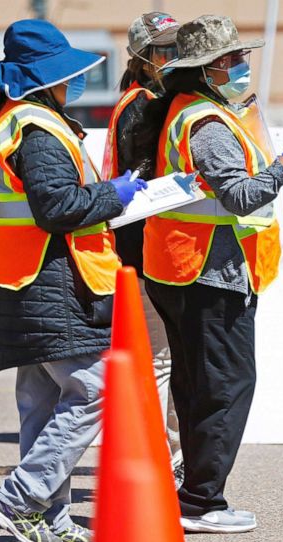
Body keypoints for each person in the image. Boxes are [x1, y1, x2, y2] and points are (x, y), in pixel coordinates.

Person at [135, 15, 283, 533]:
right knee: (225, 384)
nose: (243, 66)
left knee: (197, 383)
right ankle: (202, 501)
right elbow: (242, 195)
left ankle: (194, 492)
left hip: (180, 267)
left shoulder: (183, 109)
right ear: (207, 70)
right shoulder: (206, 123)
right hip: (208, 272)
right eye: (232, 60)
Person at [0, 19, 146, 542]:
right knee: (94, 389)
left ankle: (50, 518)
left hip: (16, 280)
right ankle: (23, 497)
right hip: (50, 280)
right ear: (49, 79)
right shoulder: (38, 128)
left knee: (41, 404)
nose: (75, 83)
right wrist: (116, 194)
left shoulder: (12, 119)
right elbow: (59, 208)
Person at [102, 10, 184, 485]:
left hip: (143, 245)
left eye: (177, 46)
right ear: (142, 57)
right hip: (139, 247)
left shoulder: (148, 99)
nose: (172, 55)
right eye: (163, 49)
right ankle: (161, 458)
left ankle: (165, 454)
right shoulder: (142, 104)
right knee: (159, 360)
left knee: (165, 357)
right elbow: (144, 181)